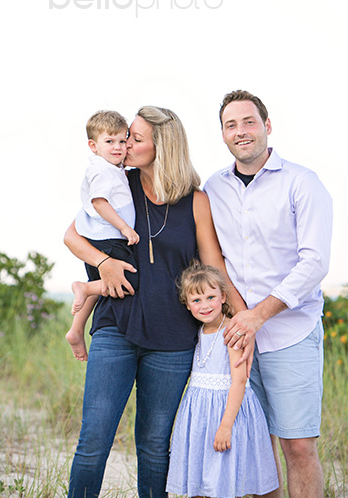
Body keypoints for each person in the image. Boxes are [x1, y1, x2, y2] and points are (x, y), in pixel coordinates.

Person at [62, 105, 248, 498]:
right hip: (117, 327)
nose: (126, 143)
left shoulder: (196, 201)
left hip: (174, 340)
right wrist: (105, 263)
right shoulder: (115, 183)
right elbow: (72, 237)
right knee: (94, 441)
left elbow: (214, 266)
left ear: (161, 146)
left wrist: (245, 317)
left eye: (135, 137)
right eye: (126, 136)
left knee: (153, 447)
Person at [204, 90, 332, 498]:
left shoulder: (302, 182)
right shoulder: (214, 188)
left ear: (267, 126)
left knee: (296, 445)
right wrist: (242, 317)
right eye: (231, 125)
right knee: (254, 450)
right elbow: (217, 259)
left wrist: (259, 315)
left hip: (291, 333)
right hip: (239, 336)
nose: (241, 131)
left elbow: (314, 263)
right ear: (223, 134)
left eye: (248, 122)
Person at [165, 262, 278, 497]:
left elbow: (238, 382)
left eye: (210, 297)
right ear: (187, 304)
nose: (205, 305)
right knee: (200, 479)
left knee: (224, 479)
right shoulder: (198, 331)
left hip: (227, 414)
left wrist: (226, 426)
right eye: (196, 300)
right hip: (200, 417)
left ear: (223, 296)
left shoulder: (232, 331)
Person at [66, 110, 139, 361]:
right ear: (93, 146)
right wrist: (124, 228)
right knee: (129, 280)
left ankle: (76, 329)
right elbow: (99, 201)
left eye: (122, 140)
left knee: (102, 285)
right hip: (109, 237)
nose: (118, 147)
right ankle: (83, 287)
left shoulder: (111, 167)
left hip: (102, 236)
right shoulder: (101, 171)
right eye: (110, 142)